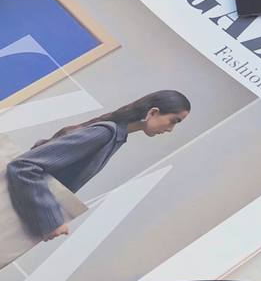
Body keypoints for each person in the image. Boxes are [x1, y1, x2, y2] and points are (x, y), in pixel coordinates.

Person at [6, 90, 191, 243]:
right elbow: (24, 166)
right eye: (174, 121)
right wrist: (51, 221)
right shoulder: (104, 134)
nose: (170, 129)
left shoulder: (114, 137)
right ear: (153, 113)